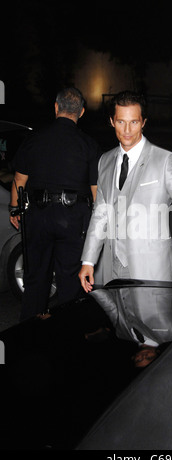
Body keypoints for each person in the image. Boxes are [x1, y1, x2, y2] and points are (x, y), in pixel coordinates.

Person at [79, 90, 172, 367]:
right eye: (121, 122)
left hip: (151, 269)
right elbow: (101, 213)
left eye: (134, 122)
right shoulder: (105, 160)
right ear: (112, 122)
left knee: (158, 328)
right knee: (122, 332)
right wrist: (88, 260)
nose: (127, 130)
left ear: (144, 122)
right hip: (112, 265)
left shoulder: (164, 160)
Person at [9, 87, 102, 321]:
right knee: (70, 280)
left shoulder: (34, 140)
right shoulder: (88, 144)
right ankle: (66, 335)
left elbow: (19, 180)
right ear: (81, 112)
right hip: (73, 218)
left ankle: (29, 335)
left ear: (56, 107)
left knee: (35, 278)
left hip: (37, 217)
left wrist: (14, 209)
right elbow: (96, 192)